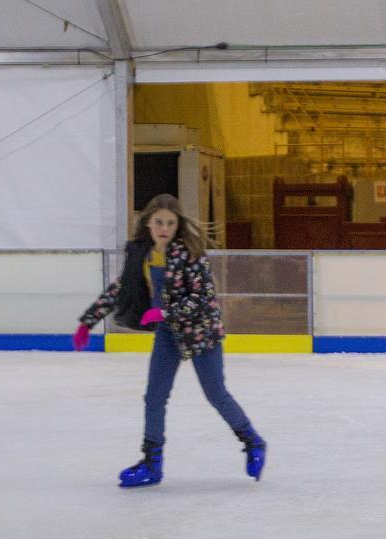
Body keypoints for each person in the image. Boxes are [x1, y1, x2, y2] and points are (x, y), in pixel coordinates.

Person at [73, 194, 266, 488]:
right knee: (154, 396)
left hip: (200, 330)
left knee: (216, 393)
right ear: (148, 222)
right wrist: (88, 321)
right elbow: (120, 289)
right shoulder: (142, 254)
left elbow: (203, 299)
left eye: (171, 223)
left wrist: (164, 311)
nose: (164, 228)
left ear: (178, 226)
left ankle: (253, 442)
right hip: (167, 334)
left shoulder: (190, 253)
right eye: (159, 222)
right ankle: (152, 463)